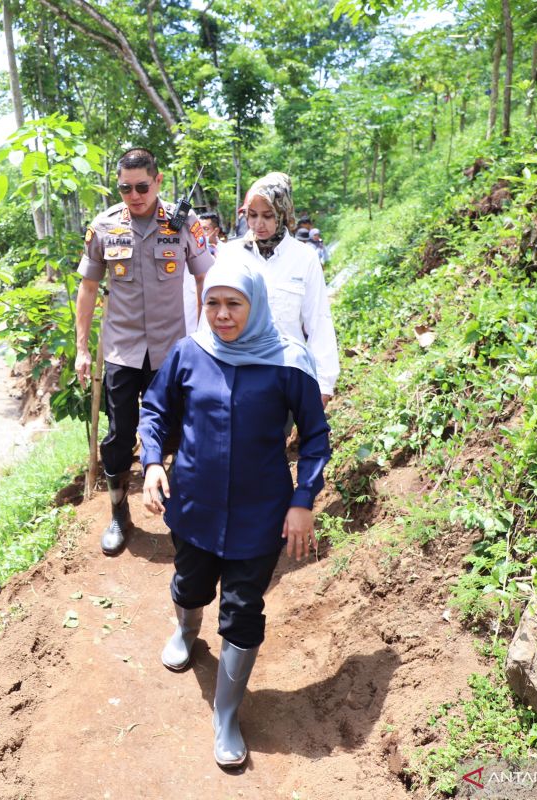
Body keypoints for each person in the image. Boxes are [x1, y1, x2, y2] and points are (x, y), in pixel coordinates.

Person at [137, 262, 331, 768]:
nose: (221, 315)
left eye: (234, 304)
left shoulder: (289, 363)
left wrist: (302, 501)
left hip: (260, 514)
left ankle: (226, 713)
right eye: (213, 304)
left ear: (256, 303)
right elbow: (156, 410)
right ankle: (185, 629)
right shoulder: (189, 352)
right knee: (190, 584)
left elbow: (314, 439)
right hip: (195, 507)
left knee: (243, 609)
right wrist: (154, 462)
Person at [75, 147, 215, 556]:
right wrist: (83, 349)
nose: (133, 195)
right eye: (124, 187)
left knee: (175, 431)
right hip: (122, 350)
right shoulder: (104, 227)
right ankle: (120, 514)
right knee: (119, 436)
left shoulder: (183, 223)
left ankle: (176, 511)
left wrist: (206, 339)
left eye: (141, 186)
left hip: (171, 351)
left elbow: (205, 278)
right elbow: (87, 289)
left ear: (156, 181)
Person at [216, 172, 339, 409]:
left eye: (267, 216)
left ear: (283, 214)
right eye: (252, 215)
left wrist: (323, 383)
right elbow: (211, 316)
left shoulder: (304, 258)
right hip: (236, 373)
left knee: (272, 442)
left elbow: (318, 321)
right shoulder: (231, 255)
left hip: (285, 374)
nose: (258, 224)